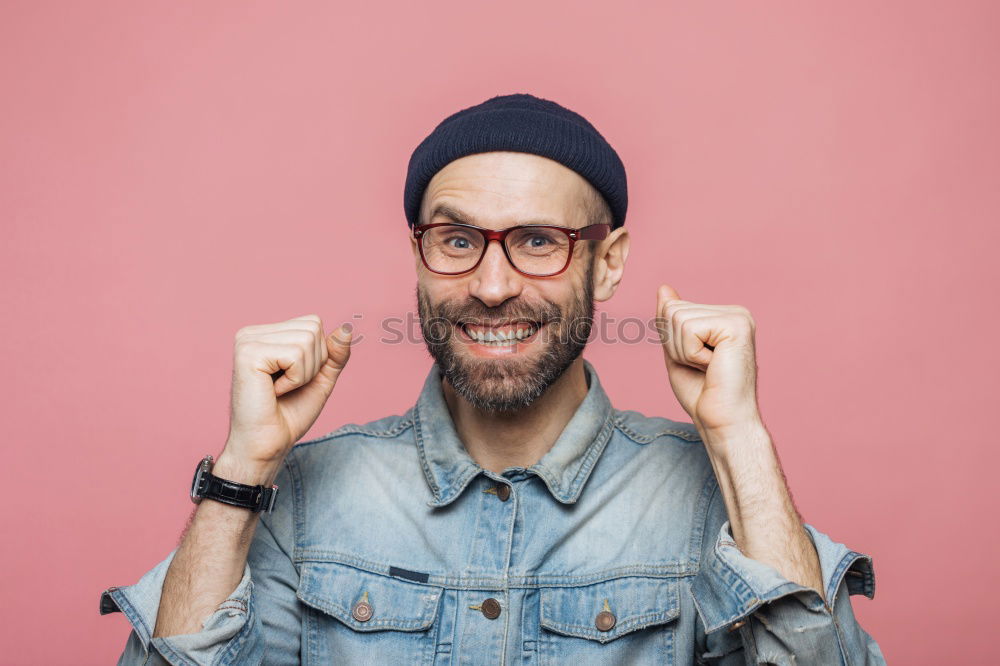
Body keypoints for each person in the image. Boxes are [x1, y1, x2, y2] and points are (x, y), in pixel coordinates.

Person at [101, 93, 885, 665]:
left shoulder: (708, 496)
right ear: (419, 256)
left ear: (607, 264)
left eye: (539, 241)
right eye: (457, 239)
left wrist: (740, 441)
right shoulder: (296, 494)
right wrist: (243, 468)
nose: (493, 285)